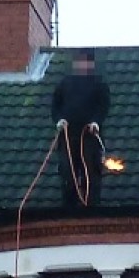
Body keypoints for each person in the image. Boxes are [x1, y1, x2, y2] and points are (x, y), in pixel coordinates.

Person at [51, 48, 110, 207]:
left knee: (91, 172)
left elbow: (103, 106)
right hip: (68, 136)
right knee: (67, 172)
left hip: (90, 136)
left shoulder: (99, 83)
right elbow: (55, 105)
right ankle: (69, 208)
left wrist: (96, 122)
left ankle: (91, 208)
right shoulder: (65, 84)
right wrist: (59, 120)